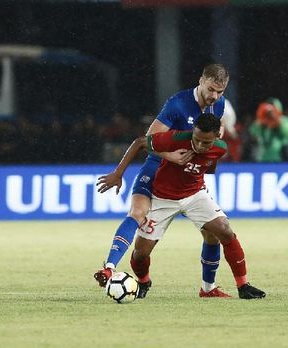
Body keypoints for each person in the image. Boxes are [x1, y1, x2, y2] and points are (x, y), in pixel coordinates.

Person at [94, 64, 231, 298]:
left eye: (220, 91)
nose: (214, 96)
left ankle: (209, 288)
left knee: (214, 232)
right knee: (137, 215)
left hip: (185, 178)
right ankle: (110, 268)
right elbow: (147, 140)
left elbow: (211, 138)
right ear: (201, 81)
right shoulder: (177, 104)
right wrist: (122, 173)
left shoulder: (218, 105)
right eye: (211, 89)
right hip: (157, 169)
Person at [96, 113, 266, 300]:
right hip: (162, 198)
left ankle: (241, 286)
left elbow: (210, 165)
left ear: (217, 136)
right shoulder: (174, 139)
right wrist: (118, 173)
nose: (200, 146)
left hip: (194, 195)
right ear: (193, 131)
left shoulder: (220, 148)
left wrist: (196, 175)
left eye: (206, 143)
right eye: (197, 139)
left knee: (224, 230)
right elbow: (139, 143)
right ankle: (144, 281)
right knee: (140, 254)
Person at [248, 98, 288, 162]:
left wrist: (276, 122)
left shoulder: (285, 120)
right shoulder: (262, 121)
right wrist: (262, 122)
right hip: (262, 158)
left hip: (281, 158)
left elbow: (287, 133)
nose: (270, 113)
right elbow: (252, 131)